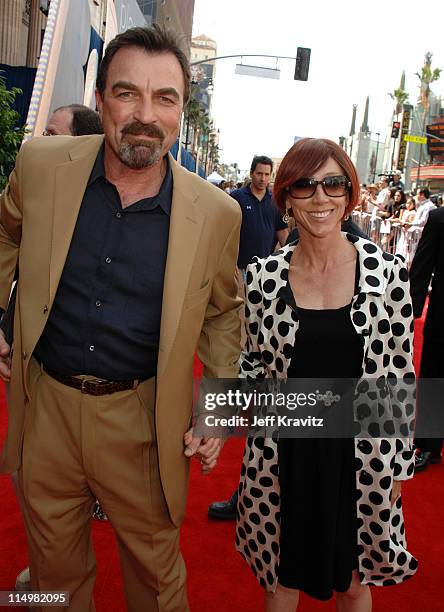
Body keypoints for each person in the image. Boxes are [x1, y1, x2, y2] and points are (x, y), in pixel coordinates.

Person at [0, 25, 241, 611]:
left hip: (142, 421)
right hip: (45, 407)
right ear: (102, 97)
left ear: (181, 111)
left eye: (165, 98)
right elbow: (5, 233)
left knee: (158, 583)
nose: (144, 116)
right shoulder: (41, 164)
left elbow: (224, 315)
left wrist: (217, 410)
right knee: (53, 580)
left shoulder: (214, 214)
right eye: (127, 92)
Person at [236, 138, 417, 610]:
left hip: (358, 451)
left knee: (357, 580)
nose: (320, 198)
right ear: (287, 197)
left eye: (333, 183)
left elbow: (397, 374)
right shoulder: (264, 279)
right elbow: (251, 365)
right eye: (305, 185)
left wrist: (396, 462)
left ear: (350, 193)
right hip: (285, 449)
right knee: (280, 578)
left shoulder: (387, 275)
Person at [1, 105, 106, 595]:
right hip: (28, 365)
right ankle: (47, 574)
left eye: (51, 133)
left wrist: (216, 415)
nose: (38, 140)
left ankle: (54, 573)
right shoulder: (36, 184)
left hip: (86, 385)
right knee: (28, 475)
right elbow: (7, 241)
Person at [208, 155, 288, 520]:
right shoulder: (237, 199)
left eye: (266, 174)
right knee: (240, 338)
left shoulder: (273, 205)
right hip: (241, 273)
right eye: (257, 172)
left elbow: (282, 237)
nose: (260, 178)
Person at [409, 207, 444, 470]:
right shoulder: (439, 218)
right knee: (435, 381)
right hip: (442, 318)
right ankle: (429, 446)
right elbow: (421, 268)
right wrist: (408, 316)